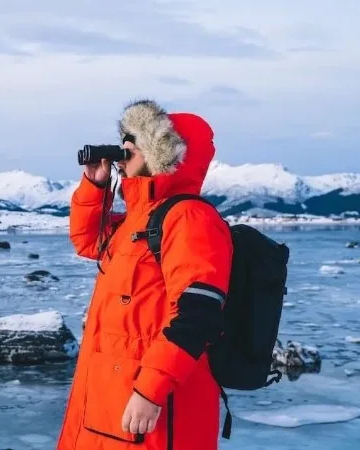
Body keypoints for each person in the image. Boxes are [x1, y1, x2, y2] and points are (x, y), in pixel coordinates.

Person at [55, 99, 233, 450]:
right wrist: (95, 185)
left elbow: (198, 317)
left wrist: (149, 391)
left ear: (162, 152)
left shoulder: (189, 219)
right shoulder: (139, 220)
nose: (124, 151)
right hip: (108, 401)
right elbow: (88, 242)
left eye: (133, 144)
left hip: (152, 409)